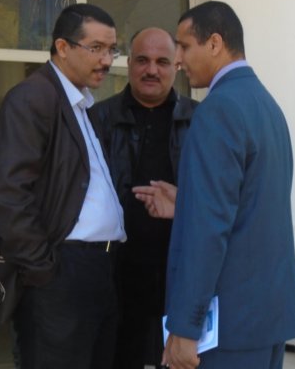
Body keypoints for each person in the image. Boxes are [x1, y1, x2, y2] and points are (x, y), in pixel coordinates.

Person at [138, 1, 295, 369]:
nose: (178, 59)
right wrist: (187, 203)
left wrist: (185, 326)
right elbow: (251, 206)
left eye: (184, 46)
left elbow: (208, 230)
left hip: (228, 327)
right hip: (267, 318)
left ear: (214, 43)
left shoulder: (217, 109)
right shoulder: (267, 106)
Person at [0, 3, 126, 369]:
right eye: (96, 48)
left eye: (112, 50)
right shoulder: (33, 98)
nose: (107, 60)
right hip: (61, 272)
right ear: (62, 47)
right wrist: (44, 270)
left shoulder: (82, 105)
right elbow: (8, 195)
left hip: (99, 269)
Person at [90, 27, 197, 369]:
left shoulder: (200, 120)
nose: (152, 70)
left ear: (176, 65)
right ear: (128, 64)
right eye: (142, 60)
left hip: (179, 273)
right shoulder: (97, 119)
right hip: (116, 275)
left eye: (162, 62)